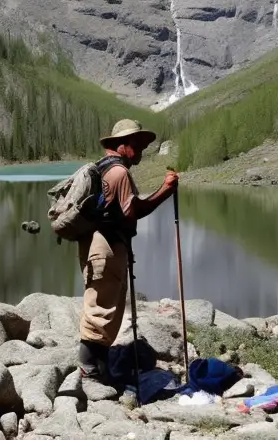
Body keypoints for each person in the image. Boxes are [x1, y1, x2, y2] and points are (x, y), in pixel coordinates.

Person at [77, 118, 178, 383]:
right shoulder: (119, 172)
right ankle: (91, 369)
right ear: (123, 145)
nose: (142, 151)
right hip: (107, 246)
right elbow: (132, 212)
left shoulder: (103, 169)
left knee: (102, 302)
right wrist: (165, 191)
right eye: (138, 145)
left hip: (98, 243)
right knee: (102, 307)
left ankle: (98, 366)